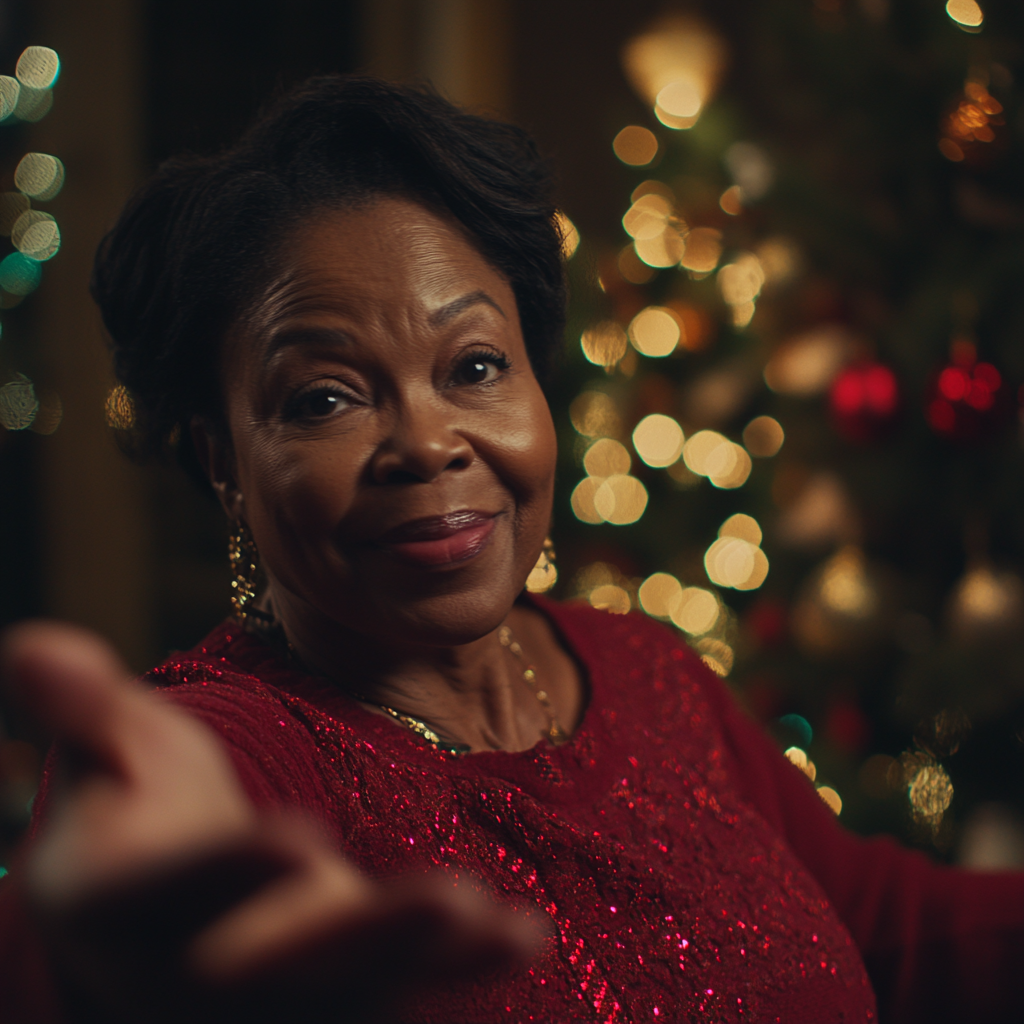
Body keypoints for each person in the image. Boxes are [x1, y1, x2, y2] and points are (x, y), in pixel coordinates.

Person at [0, 75, 1021, 1024]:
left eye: (475, 365)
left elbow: (885, 922)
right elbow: (134, 902)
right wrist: (101, 964)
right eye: (323, 397)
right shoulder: (229, 752)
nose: (429, 442)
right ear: (222, 460)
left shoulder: (639, 668)